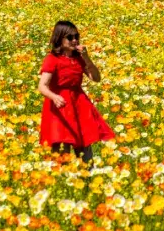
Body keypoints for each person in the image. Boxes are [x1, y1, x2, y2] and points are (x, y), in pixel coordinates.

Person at [38, 21, 114, 162]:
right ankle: (63, 177)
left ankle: (88, 174)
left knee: (84, 141)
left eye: (76, 36)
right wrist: (54, 97)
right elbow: (42, 86)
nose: (75, 40)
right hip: (60, 106)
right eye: (70, 37)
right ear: (59, 38)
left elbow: (96, 78)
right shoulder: (52, 59)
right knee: (62, 146)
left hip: (79, 104)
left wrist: (86, 57)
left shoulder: (79, 58)